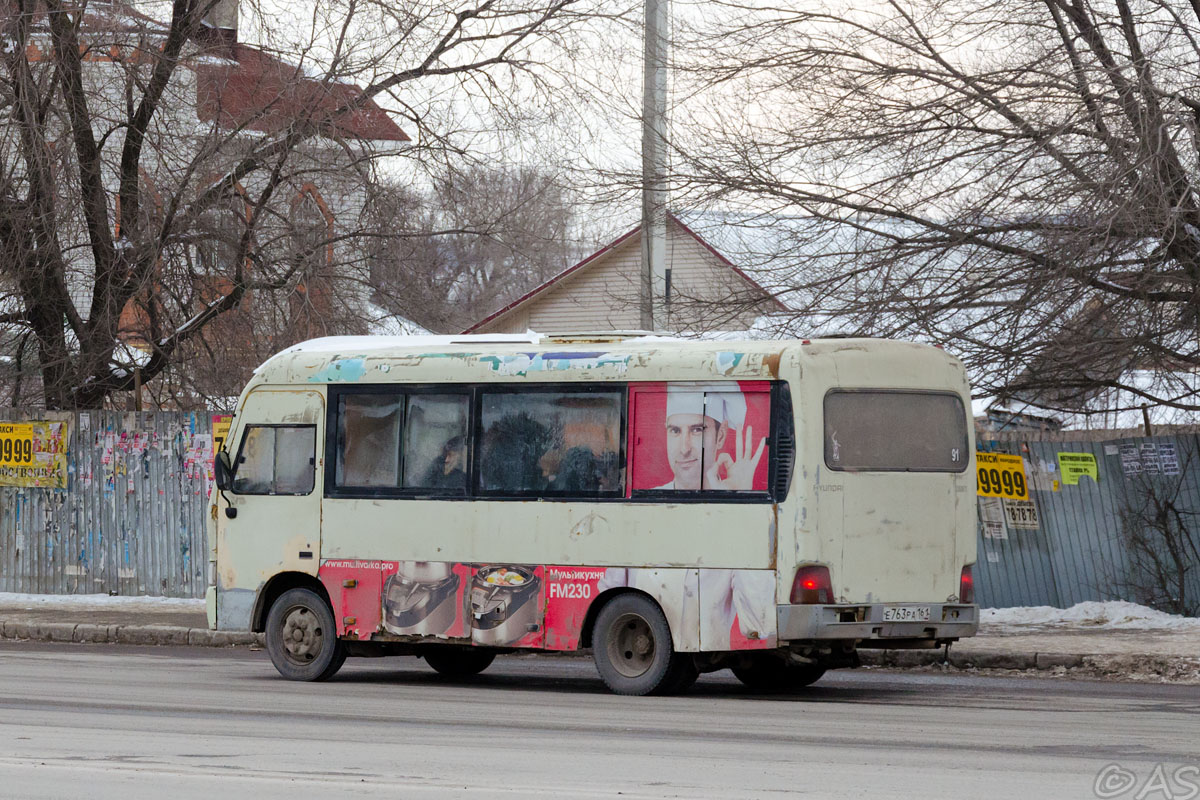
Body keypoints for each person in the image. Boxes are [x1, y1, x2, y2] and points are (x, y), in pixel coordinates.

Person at [657, 387, 765, 491]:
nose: (684, 449)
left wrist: (738, 497)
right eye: (675, 431)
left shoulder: (735, 495)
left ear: (720, 436)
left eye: (697, 430)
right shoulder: (647, 503)